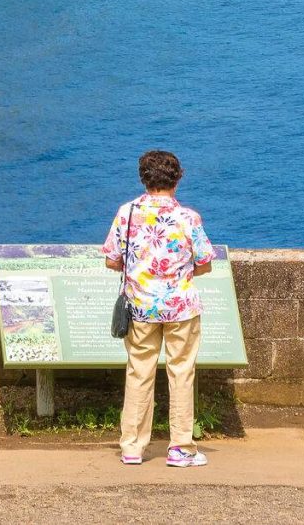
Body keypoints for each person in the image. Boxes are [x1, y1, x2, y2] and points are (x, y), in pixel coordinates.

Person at [102, 148, 218, 468]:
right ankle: (180, 447)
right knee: (181, 373)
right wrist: (179, 273)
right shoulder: (187, 218)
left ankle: (132, 447)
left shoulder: (126, 214)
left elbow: (112, 259)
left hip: (139, 306)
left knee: (139, 372)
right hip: (181, 306)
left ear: (144, 178)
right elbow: (205, 263)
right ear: (177, 180)